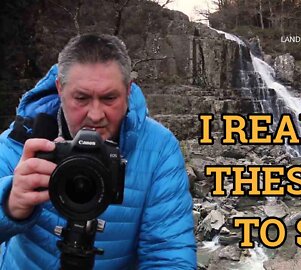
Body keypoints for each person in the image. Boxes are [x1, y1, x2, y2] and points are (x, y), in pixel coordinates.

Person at [0, 34, 196, 269]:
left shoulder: (158, 149)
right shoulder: (25, 140)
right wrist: (10, 205)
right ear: (60, 88)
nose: (95, 115)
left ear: (128, 90)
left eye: (109, 98)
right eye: (81, 98)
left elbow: (168, 254)